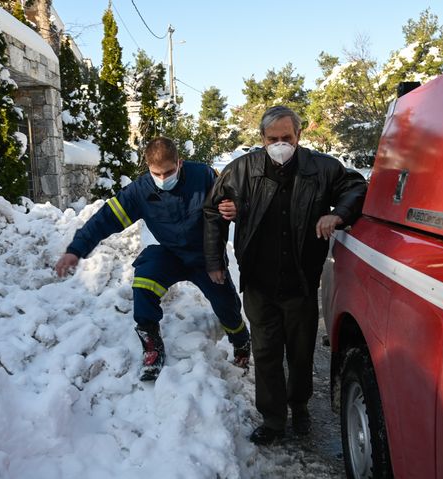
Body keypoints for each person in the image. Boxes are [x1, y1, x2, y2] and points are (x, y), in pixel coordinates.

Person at [203, 106, 367, 444]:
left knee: (300, 352)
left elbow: (357, 186)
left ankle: (300, 406)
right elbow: (212, 209)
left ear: (299, 136)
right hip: (260, 284)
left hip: (301, 282)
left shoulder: (321, 168)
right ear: (261, 139)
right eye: (273, 139)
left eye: (286, 138)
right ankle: (274, 420)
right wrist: (214, 259)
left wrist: (338, 214)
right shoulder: (241, 170)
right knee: (265, 353)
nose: (280, 145)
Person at [55, 137, 251, 381]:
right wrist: (76, 248)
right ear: (147, 168)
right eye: (156, 173)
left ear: (180, 163)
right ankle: (151, 343)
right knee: (144, 279)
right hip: (170, 253)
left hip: (205, 255)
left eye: (168, 171)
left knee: (227, 305)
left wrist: (235, 210)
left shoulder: (204, 176)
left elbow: (237, 200)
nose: (162, 178)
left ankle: (241, 340)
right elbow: (105, 219)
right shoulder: (140, 191)